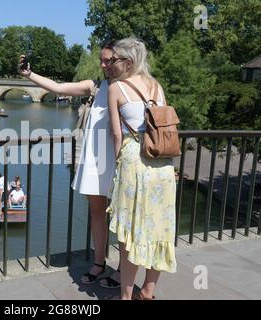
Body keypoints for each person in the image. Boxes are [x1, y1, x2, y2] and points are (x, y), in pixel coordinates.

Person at [18, 40, 122, 288]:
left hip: (120, 161)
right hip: (97, 161)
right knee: (97, 213)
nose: (104, 64)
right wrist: (29, 74)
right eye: (102, 59)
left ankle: (122, 272)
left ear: (124, 61)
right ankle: (99, 263)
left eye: (110, 60)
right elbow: (58, 87)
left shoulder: (131, 87)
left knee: (123, 217)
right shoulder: (95, 86)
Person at [106, 37, 177, 300]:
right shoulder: (156, 86)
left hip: (134, 163)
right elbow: (164, 128)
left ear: (128, 61)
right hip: (162, 166)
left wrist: (117, 169)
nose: (110, 64)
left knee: (130, 232)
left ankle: (126, 296)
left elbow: (116, 135)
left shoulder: (116, 88)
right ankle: (148, 291)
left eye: (114, 60)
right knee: (158, 228)